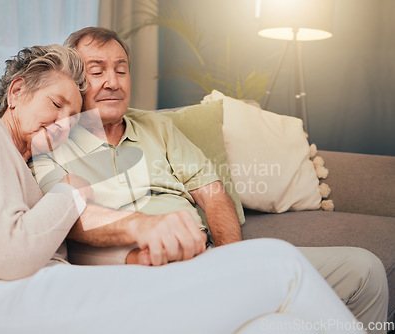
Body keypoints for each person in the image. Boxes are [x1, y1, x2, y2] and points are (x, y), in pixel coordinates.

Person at [0, 44, 365, 334]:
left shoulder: (30, 160)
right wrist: (72, 193)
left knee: (274, 327)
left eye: (70, 119)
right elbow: (2, 254)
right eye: (55, 106)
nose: (61, 127)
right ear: (16, 91)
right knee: (279, 262)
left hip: (43, 293)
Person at [29, 27, 389, 334]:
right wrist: (146, 231)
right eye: (97, 71)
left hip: (207, 259)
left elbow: (213, 192)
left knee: (365, 269)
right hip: (138, 273)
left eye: (121, 70)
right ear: (74, 82)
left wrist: (233, 263)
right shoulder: (54, 140)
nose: (113, 82)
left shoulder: (159, 128)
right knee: (279, 323)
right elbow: (69, 219)